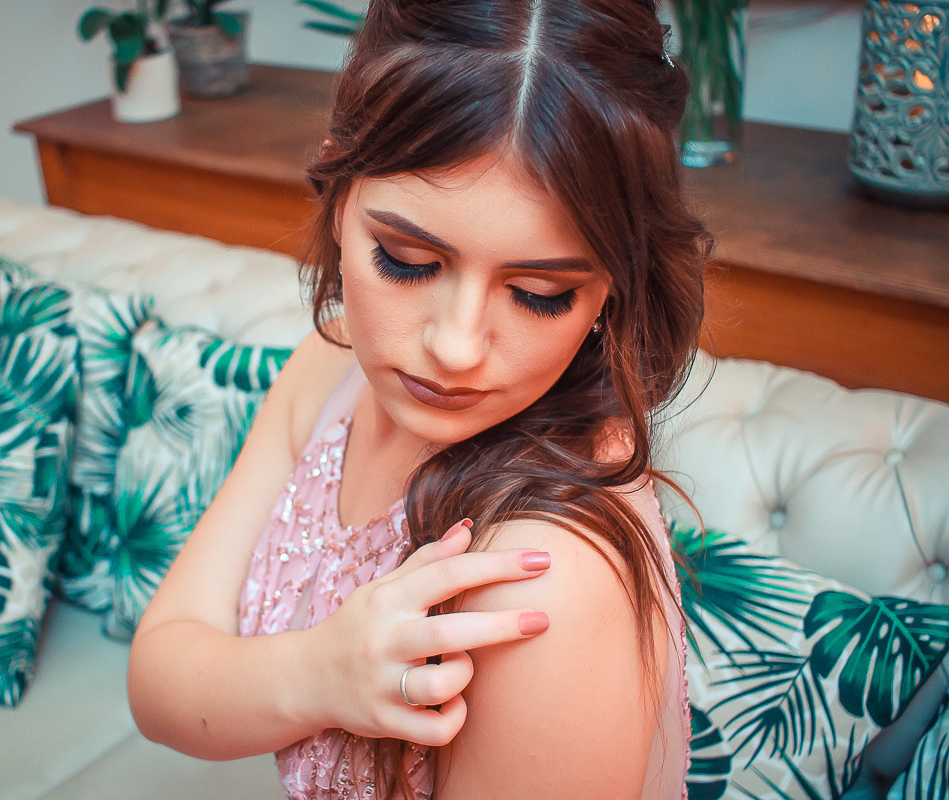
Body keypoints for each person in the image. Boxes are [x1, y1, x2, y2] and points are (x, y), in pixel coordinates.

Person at [127, 0, 711, 797]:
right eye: (405, 260)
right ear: (338, 194)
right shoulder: (328, 369)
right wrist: (322, 673)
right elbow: (161, 675)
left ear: (612, 285)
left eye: (540, 292)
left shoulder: (546, 578)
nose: (456, 347)